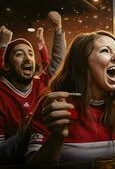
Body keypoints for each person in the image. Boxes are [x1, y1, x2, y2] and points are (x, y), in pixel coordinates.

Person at [26, 31, 115, 164]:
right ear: (81, 62)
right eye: (105, 51)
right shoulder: (56, 105)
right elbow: (33, 164)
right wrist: (57, 137)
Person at [0, 11, 66, 164]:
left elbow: (57, 62)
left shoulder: (40, 83)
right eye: (19, 54)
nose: (28, 57)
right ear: (8, 66)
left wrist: (58, 29)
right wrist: (20, 136)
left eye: (30, 53)